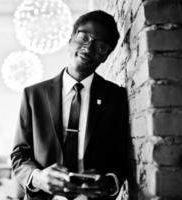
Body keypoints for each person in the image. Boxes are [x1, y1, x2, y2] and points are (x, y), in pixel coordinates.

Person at [11, 10, 130, 200]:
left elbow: (122, 156)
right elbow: (19, 154)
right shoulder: (33, 95)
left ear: (105, 57)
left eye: (100, 46)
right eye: (84, 37)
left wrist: (109, 182)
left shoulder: (115, 97)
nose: (89, 48)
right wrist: (38, 178)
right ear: (70, 39)